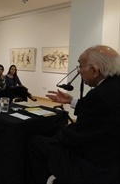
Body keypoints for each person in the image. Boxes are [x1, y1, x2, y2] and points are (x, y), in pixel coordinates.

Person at [28, 45, 120, 184]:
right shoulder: (112, 87)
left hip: (96, 165)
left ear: (94, 70)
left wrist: (54, 135)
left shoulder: (98, 95)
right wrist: (72, 101)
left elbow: (76, 135)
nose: (78, 70)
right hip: (112, 154)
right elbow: (102, 113)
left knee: (36, 142)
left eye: (80, 66)